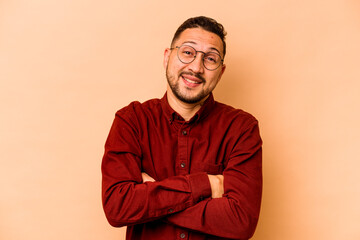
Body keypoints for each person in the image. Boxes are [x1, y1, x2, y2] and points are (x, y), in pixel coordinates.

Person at [101, 16, 262, 240]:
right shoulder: (132, 120)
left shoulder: (241, 128)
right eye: (188, 52)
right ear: (167, 57)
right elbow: (117, 206)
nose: (196, 67)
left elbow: (240, 221)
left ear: (221, 71)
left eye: (210, 59)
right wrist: (207, 184)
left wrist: (153, 195)